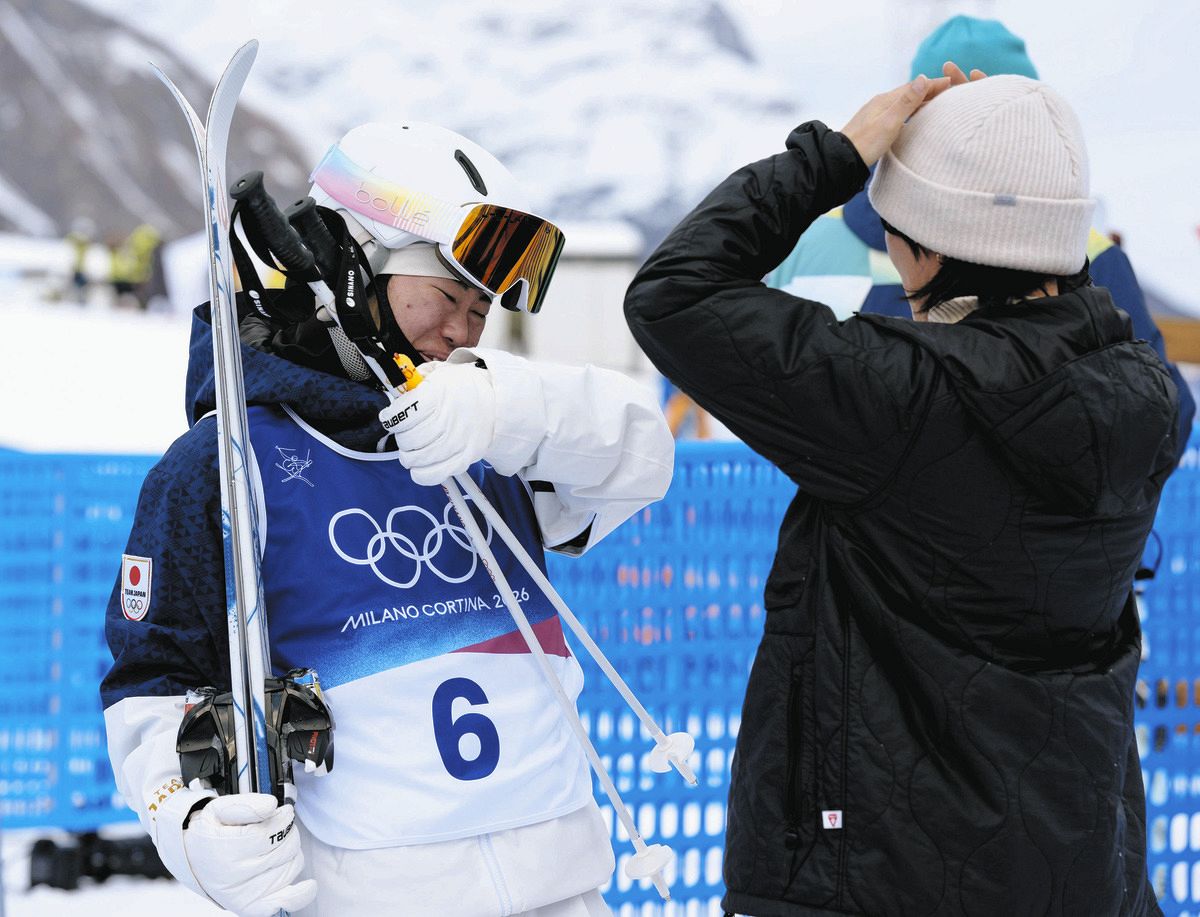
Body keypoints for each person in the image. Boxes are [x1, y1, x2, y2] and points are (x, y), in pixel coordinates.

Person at [625, 66, 1174, 916]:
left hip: (877, 874)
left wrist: (838, 155)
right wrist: (1005, 168)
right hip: (1079, 867)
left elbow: (675, 292)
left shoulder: (902, 397)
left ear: (928, 247)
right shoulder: (1144, 394)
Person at [102, 121, 675, 917]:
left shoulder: (490, 430)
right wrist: (183, 816)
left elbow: (640, 457)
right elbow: (153, 676)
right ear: (353, 267)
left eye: (481, 308)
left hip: (562, 889)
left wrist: (507, 407)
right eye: (446, 295)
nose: (463, 331)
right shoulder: (226, 464)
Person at [764, 14, 1194, 459]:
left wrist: (826, 160)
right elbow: (1164, 423)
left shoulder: (805, 240)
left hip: (809, 498)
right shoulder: (1089, 256)